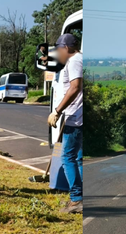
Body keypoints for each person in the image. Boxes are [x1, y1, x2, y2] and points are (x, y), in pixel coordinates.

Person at [48, 33, 83, 214]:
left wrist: (57, 110)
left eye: (59, 49)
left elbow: (75, 87)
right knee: (77, 158)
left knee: (67, 157)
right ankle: (80, 196)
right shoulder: (75, 60)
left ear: (67, 48)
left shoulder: (75, 60)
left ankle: (76, 199)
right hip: (76, 117)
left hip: (75, 118)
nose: (58, 52)